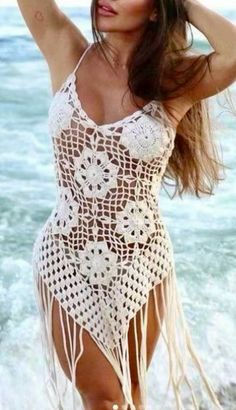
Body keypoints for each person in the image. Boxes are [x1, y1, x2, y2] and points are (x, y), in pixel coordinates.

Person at [17, 0, 236, 408]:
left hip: (140, 257)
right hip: (64, 255)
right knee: (102, 397)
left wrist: (183, 5)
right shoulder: (65, 48)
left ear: (156, 10)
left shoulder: (174, 81)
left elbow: (233, 52)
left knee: (130, 392)